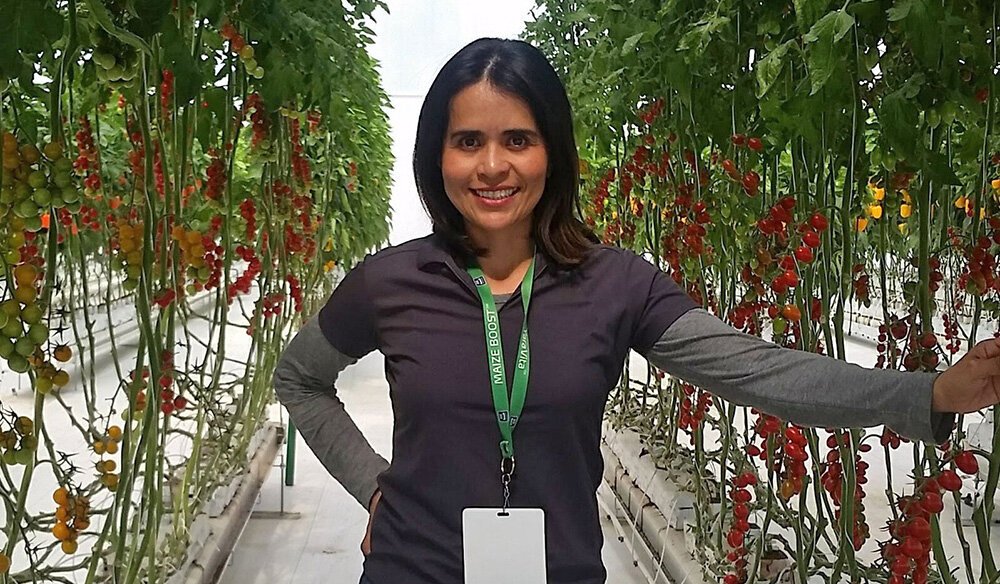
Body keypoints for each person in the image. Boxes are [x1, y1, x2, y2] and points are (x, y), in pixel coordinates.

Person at [273, 37, 1000, 584]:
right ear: (438, 158)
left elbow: (757, 371)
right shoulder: (390, 281)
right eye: (468, 142)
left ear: (552, 153)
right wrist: (376, 486)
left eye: (517, 140)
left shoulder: (616, 285)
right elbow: (299, 379)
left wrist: (923, 393)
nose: (492, 166)